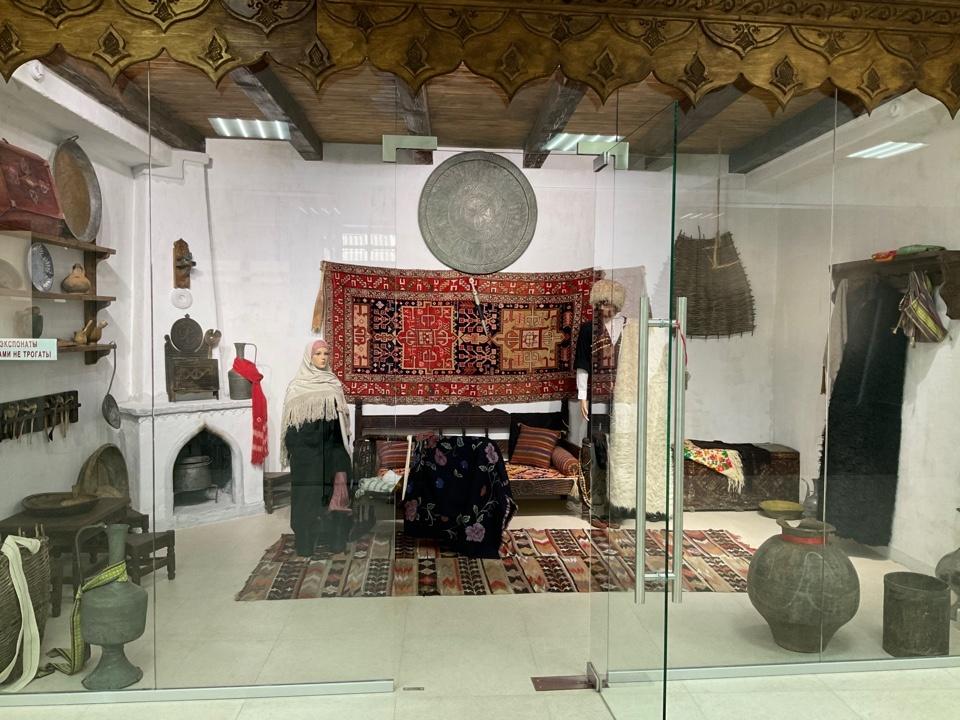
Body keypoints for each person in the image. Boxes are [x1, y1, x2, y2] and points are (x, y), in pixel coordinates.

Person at [280, 339, 353, 556]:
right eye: (318, 354)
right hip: (306, 448)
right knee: (308, 490)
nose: (322, 358)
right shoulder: (296, 386)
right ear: (309, 358)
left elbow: (341, 424)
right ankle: (304, 540)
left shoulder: (333, 383)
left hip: (331, 446)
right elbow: (290, 427)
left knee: (340, 479)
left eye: (325, 354)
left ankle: (336, 537)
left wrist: (336, 446)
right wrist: (307, 448)